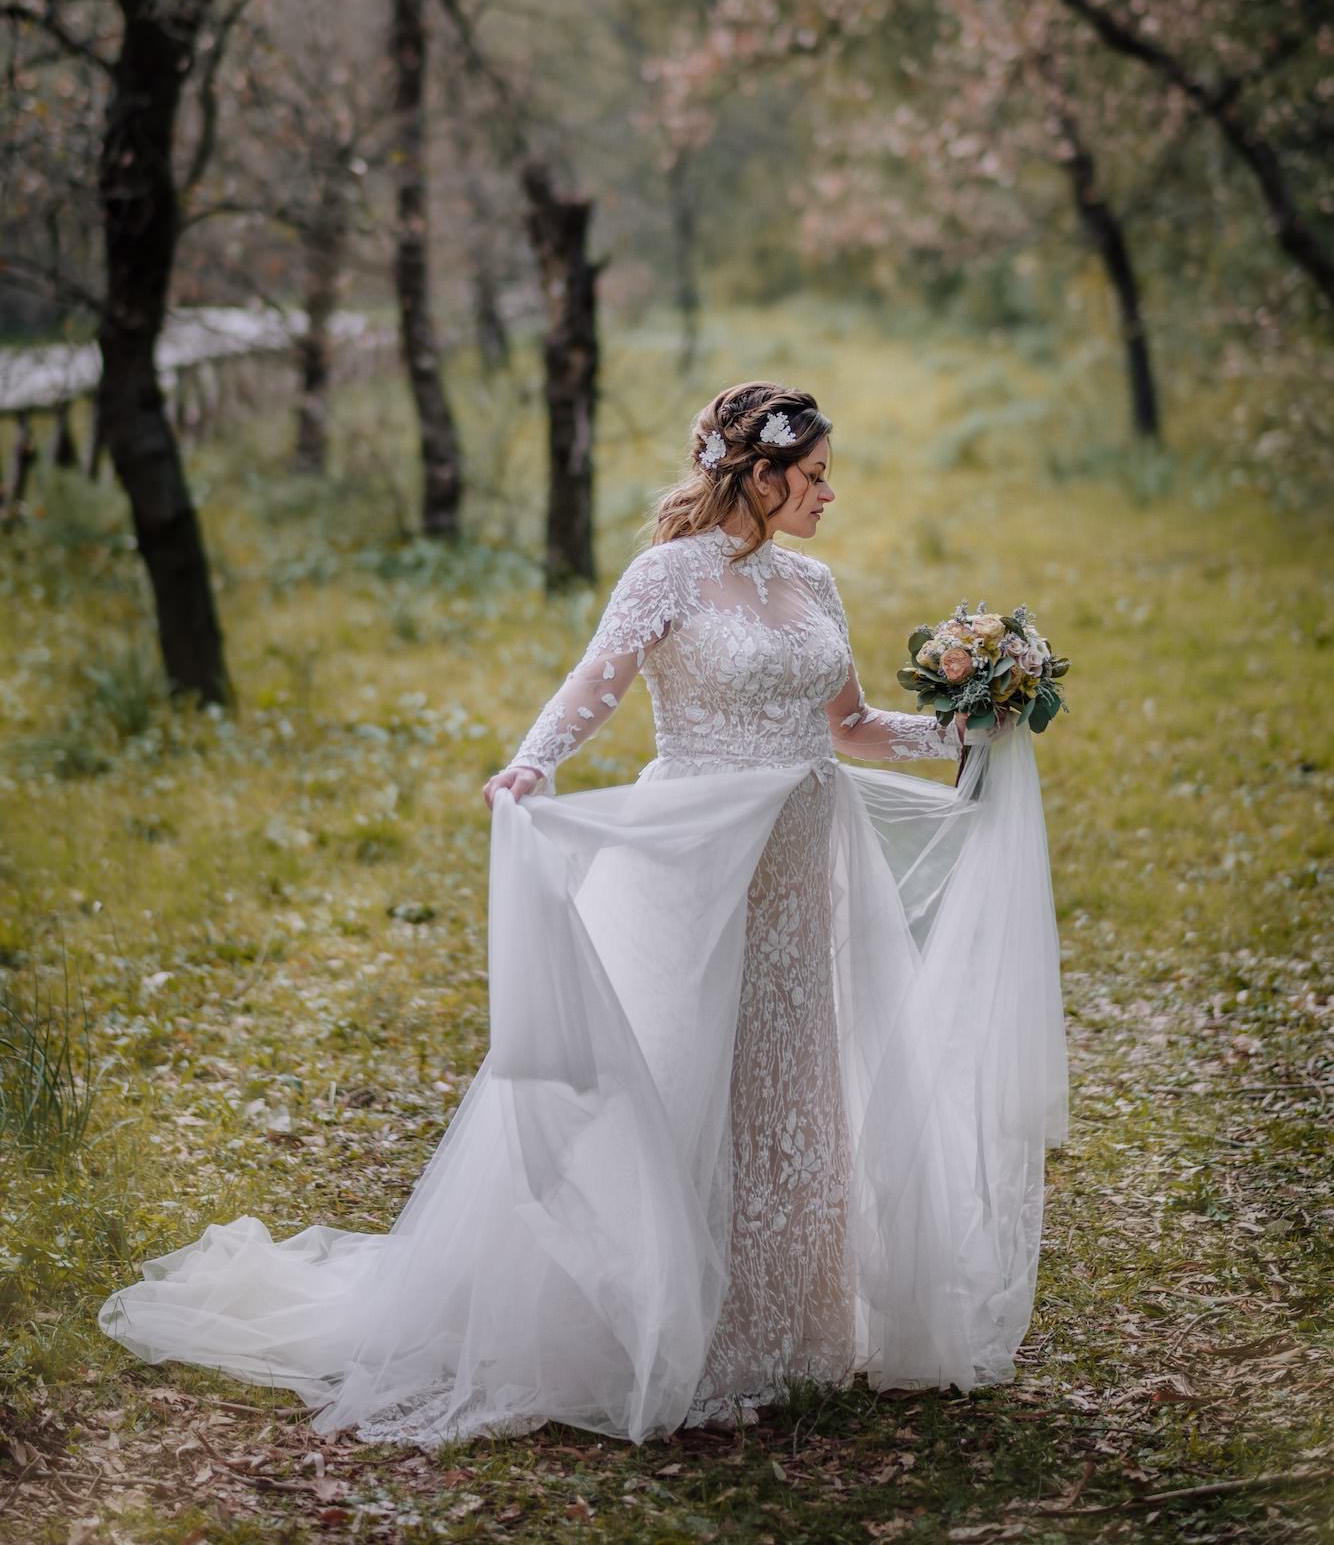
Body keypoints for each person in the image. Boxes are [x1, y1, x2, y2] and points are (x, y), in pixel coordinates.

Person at [98, 381, 1066, 1446]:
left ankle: (790, 1334)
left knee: (787, 1084)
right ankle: (672, 1332)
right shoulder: (667, 574)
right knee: (680, 1071)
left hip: (803, 867)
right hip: (697, 857)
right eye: (816, 475)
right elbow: (595, 683)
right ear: (758, 474)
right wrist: (532, 761)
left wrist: (969, 727)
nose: (829, 494)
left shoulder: (814, 584)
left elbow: (848, 727)